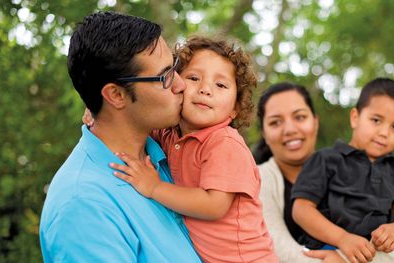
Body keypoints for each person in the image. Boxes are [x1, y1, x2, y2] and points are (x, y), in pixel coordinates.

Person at [39, 12, 202, 262]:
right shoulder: (83, 205)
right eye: (165, 76)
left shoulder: (168, 150)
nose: (181, 85)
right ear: (115, 95)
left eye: (175, 67)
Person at [109, 36, 278, 262]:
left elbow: (214, 205)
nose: (205, 89)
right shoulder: (169, 133)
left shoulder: (224, 143)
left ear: (235, 108)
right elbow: (135, 120)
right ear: (175, 85)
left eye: (220, 85)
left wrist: (154, 187)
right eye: (194, 78)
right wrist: (105, 111)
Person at [255, 82, 394, 263]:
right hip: (326, 248)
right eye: (275, 122)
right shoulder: (326, 161)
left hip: (367, 251)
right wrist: (342, 242)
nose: (384, 132)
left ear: (315, 121)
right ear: (355, 118)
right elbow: (294, 220)